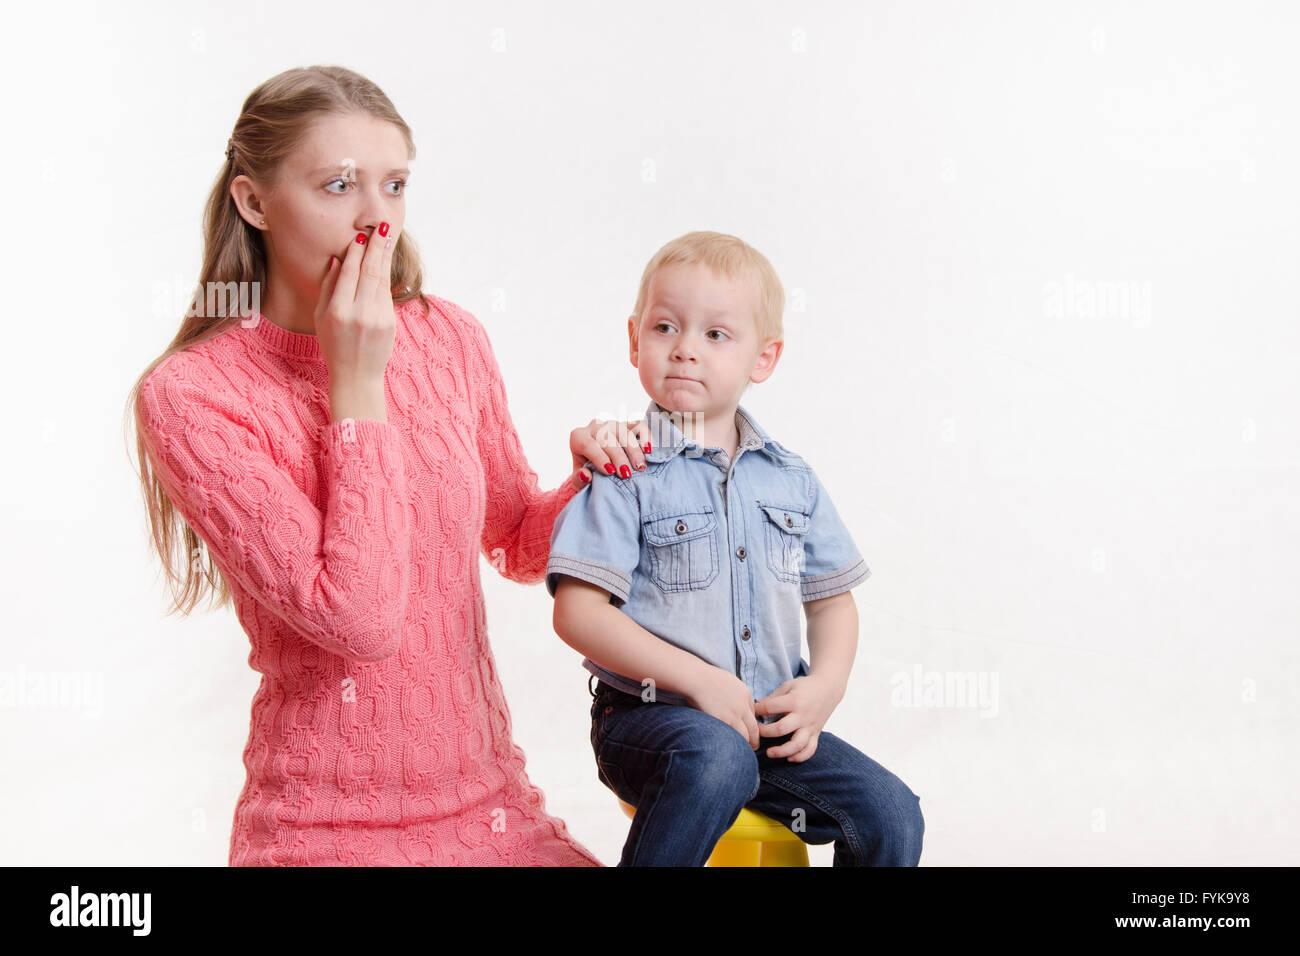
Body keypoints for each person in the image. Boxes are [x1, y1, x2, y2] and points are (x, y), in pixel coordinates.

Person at [125, 65, 651, 866]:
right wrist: (357, 384)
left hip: (492, 810)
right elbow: (360, 619)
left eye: (395, 185)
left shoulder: (450, 337)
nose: (378, 220)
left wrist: (595, 480)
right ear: (254, 202)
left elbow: (513, 539)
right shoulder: (193, 395)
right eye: (339, 185)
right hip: (324, 832)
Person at [546, 230, 925, 866]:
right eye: (666, 327)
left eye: (716, 335)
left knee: (891, 810)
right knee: (713, 758)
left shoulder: (791, 479)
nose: (686, 350)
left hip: (762, 728)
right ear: (634, 339)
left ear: (764, 358)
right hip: (649, 723)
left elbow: (833, 603)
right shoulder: (624, 468)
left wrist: (824, 688)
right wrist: (700, 683)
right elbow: (577, 613)